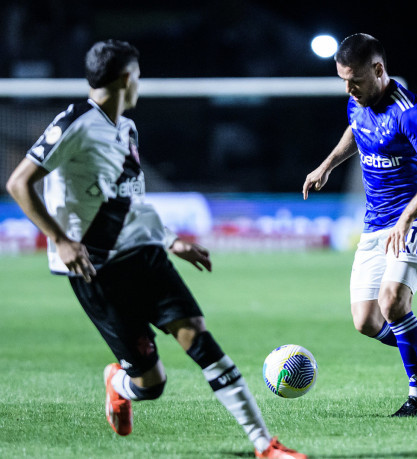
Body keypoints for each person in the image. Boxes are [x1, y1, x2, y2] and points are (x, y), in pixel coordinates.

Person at [5, 40, 305, 459]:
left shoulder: (127, 128)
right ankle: (119, 383)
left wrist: (170, 240)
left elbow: (130, 201)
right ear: (128, 78)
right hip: (96, 268)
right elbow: (19, 183)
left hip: (144, 254)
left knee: (200, 339)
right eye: (139, 74)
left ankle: (264, 445)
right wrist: (60, 239)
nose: (140, 82)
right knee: (152, 384)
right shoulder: (74, 123)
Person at [302, 33, 417, 417]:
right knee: (366, 321)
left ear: (379, 70)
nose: (349, 89)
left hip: (415, 222)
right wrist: (326, 165)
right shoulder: (357, 99)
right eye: (343, 80)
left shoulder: (411, 112)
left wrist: (407, 217)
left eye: (354, 80)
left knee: (392, 303)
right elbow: (357, 129)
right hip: (375, 226)